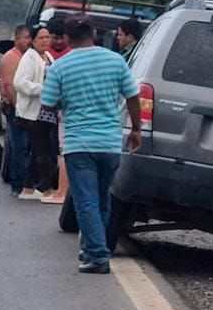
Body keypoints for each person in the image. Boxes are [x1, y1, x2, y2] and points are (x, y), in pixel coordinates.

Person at [41, 15, 142, 274]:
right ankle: (92, 247)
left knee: (86, 202)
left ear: (67, 37)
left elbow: (48, 103)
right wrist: (136, 129)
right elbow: (132, 96)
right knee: (102, 200)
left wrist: (67, 100)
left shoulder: (60, 67)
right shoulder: (115, 60)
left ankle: (97, 256)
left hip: (79, 144)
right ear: (94, 33)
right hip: (110, 143)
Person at [13, 26, 56, 201]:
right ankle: (47, 190)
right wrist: (42, 89)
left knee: (40, 150)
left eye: (47, 37)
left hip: (47, 112)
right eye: (41, 38)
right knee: (43, 151)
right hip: (33, 113)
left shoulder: (48, 56)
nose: (45, 40)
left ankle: (28, 188)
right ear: (33, 40)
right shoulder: (29, 57)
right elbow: (19, 82)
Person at [0, 25, 32, 196]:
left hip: (27, 107)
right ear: (16, 38)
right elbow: (9, 85)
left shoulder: (28, 57)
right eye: (25, 37)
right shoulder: (11, 57)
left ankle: (26, 182)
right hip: (16, 107)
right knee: (19, 146)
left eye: (29, 37)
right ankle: (18, 184)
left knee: (26, 146)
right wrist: (18, 108)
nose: (28, 41)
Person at [44, 17, 71, 204]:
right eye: (55, 38)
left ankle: (61, 189)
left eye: (62, 38)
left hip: (64, 114)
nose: (59, 42)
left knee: (63, 152)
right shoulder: (43, 55)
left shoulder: (71, 56)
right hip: (48, 113)